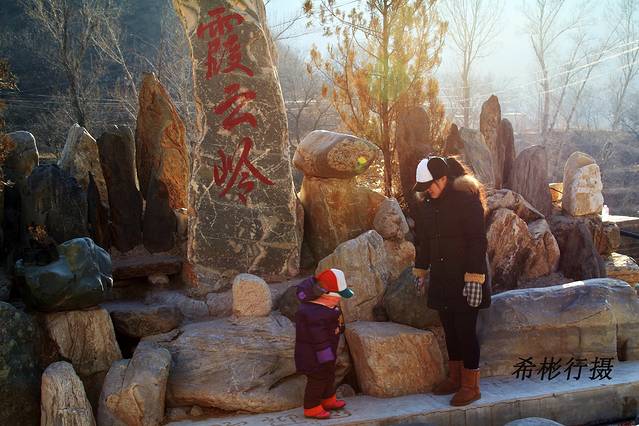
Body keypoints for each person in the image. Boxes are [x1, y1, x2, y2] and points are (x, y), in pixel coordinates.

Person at [412, 155, 491, 406]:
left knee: (466, 331)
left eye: (430, 185)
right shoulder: (428, 204)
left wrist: (474, 278)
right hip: (442, 278)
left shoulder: (466, 199)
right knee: (450, 331)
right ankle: (455, 378)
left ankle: (471, 385)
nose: (427, 191)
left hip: (466, 277)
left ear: (443, 178)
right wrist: (420, 270)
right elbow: (425, 241)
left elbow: (478, 240)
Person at [294, 268, 354, 419]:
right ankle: (311, 407)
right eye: (338, 297)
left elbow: (334, 322)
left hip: (326, 353)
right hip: (314, 356)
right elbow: (318, 338)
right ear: (325, 296)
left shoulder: (327, 308)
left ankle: (328, 399)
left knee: (329, 375)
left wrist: (339, 327)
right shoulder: (313, 314)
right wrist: (326, 357)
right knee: (317, 379)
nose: (339, 300)